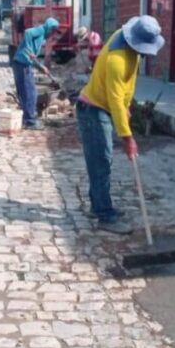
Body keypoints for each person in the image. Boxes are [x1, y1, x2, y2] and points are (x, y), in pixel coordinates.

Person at [76, 16, 165, 234]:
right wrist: (127, 137)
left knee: (100, 160)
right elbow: (114, 98)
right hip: (93, 110)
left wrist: (127, 105)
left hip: (103, 106)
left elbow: (128, 83)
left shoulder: (127, 44)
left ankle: (98, 206)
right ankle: (104, 216)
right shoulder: (117, 58)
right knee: (101, 161)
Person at [12, 17, 59, 130]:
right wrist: (29, 50)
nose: (53, 34)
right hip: (22, 64)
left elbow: (32, 58)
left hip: (21, 64)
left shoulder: (42, 36)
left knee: (25, 92)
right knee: (30, 93)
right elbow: (28, 32)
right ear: (50, 28)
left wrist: (40, 67)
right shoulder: (41, 30)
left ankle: (26, 119)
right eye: (53, 31)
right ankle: (30, 122)